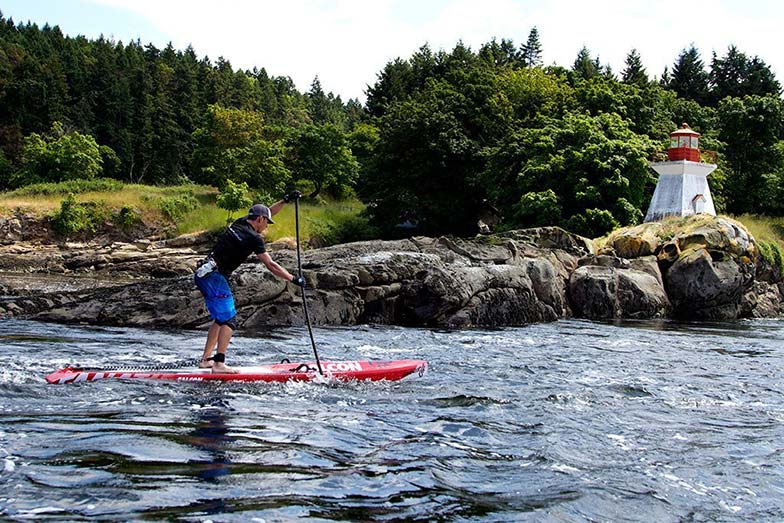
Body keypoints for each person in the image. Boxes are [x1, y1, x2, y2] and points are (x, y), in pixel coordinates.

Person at [194, 191, 305, 373]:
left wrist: (285, 200)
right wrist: (293, 278)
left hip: (203, 274)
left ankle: (206, 360)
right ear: (259, 219)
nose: (267, 227)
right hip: (214, 277)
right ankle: (219, 364)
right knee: (229, 320)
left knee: (220, 319)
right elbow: (271, 264)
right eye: (266, 223)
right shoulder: (254, 238)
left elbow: (268, 211)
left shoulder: (240, 222)